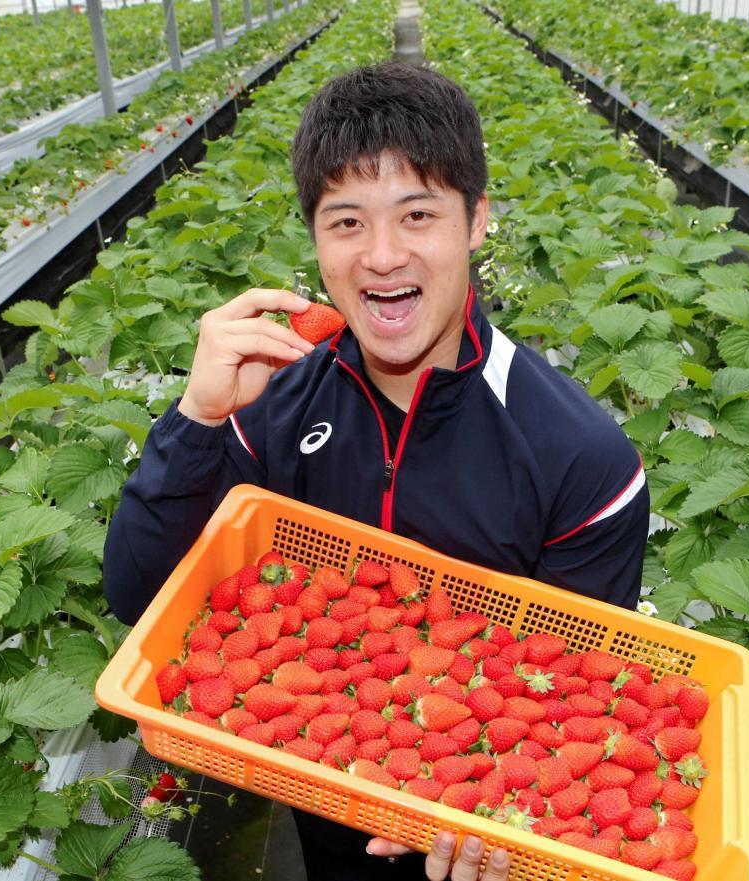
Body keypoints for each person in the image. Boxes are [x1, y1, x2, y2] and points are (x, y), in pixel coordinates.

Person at [104, 62, 649, 881]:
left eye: (419, 214)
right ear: (316, 240)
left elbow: (574, 703)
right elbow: (140, 597)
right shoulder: (270, 403)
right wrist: (198, 418)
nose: (383, 255)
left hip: (476, 828)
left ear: (477, 222)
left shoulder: (583, 458)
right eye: (347, 222)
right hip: (325, 806)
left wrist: (509, 821)